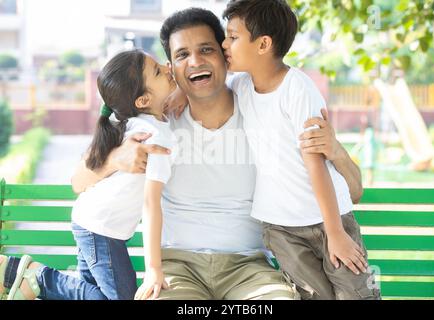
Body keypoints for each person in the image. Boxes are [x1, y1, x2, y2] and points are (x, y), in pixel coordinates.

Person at [71, 8, 364, 300]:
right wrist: (115, 159)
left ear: (225, 53)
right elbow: (78, 182)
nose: (195, 61)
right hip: (178, 269)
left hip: (249, 269)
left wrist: (335, 149)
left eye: (207, 49)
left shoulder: (259, 103)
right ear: (171, 68)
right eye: (182, 55)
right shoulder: (155, 121)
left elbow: (354, 190)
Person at [221, 0, 380, 300]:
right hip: (281, 229)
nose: (224, 44)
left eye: (232, 36)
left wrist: (334, 233)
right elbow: (208, 86)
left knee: (356, 295)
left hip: (328, 221)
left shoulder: (297, 88)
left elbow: (316, 165)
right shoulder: (241, 85)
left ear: (263, 44)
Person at [0, 49, 177, 300]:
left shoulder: (138, 123)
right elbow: (151, 203)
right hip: (100, 230)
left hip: (96, 225)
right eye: (158, 71)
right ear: (142, 100)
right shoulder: (154, 137)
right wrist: (154, 269)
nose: (168, 67)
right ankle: (37, 277)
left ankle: (33, 278)